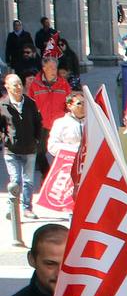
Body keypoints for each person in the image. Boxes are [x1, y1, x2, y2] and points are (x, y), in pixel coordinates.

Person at [0, 72, 42, 213]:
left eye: (20, 84)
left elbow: (38, 123)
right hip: (11, 150)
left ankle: (27, 208)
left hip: (30, 148)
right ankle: (12, 208)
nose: (18, 87)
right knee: (16, 180)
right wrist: (5, 139)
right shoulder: (3, 105)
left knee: (28, 181)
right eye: (15, 85)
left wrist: (36, 139)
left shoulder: (30, 103)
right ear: (7, 87)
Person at [25, 53, 71, 176]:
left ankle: (59, 176)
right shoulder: (35, 84)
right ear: (44, 68)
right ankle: (47, 176)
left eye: (55, 68)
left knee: (60, 153)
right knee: (40, 153)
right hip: (42, 123)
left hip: (59, 123)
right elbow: (30, 104)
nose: (53, 71)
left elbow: (69, 102)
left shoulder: (63, 84)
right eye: (50, 68)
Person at [44, 92, 83, 158]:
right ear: (69, 106)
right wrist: (75, 148)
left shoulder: (92, 122)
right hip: (68, 162)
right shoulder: (60, 123)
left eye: (85, 103)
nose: (83, 106)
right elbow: (52, 146)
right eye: (79, 103)